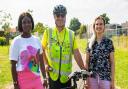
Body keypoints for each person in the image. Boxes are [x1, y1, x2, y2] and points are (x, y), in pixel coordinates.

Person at [41, 4, 86, 89]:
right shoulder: (48, 32)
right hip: (52, 76)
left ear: (65, 16)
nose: (60, 18)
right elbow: (41, 49)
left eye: (63, 15)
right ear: (54, 16)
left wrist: (83, 69)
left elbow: (76, 53)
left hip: (66, 78)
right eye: (58, 15)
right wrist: (46, 63)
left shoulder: (71, 34)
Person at [9, 12, 47, 89]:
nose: (27, 24)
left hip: (36, 79)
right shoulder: (16, 41)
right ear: (20, 24)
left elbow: (41, 61)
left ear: (32, 23)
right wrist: (15, 84)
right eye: (24, 22)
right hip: (23, 81)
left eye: (29, 22)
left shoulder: (37, 40)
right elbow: (13, 65)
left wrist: (45, 78)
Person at [85, 16, 115, 89]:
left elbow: (112, 62)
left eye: (101, 24)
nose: (99, 26)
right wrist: (86, 80)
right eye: (97, 24)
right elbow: (86, 62)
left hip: (105, 78)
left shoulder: (109, 42)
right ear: (94, 26)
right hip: (92, 78)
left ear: (104, 26)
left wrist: (113, 81)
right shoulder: (89, 43)